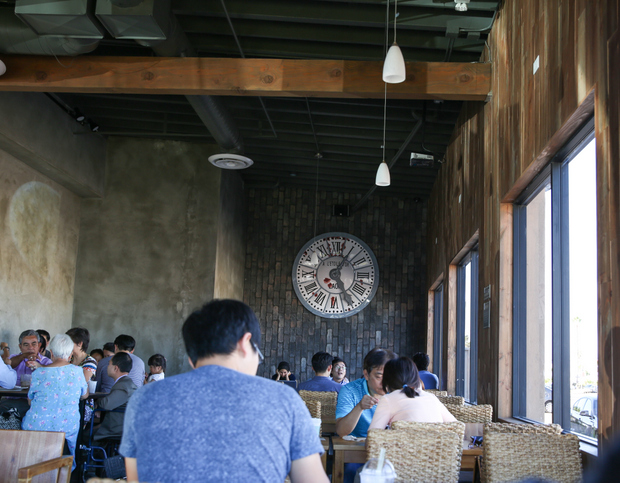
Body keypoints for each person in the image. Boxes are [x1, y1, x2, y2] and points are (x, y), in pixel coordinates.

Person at [120, 299, 328, 483]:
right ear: (246, 343)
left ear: (192, 360)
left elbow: (136, 478)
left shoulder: (143, 399)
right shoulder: (285, 400)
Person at [22, 334, 88, 469]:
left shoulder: (38, 373)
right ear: (70, 354)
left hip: (37, 427)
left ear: (51, 353)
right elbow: (85, 395)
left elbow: (30, 401)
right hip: (66, 427)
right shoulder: (78, 371)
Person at [368, 357, 456, 430]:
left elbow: (373, 437)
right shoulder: (431, 397)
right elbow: (456, 427)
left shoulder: (388, 399)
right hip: (438, 450)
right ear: (415, 377)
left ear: (387, 380)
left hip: (402, 450)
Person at [335, 348, 396, 438]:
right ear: (366, 375)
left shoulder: (398, 391)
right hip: (356, 446)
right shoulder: (350, 390)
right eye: (379, 376)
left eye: (390, 376)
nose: (385, 382)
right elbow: (341, 431)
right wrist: (359, 407)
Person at [93, 352, 137, 441]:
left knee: (84, 434)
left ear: (115, 368)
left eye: (109, 364)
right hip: (122, 425)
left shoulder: (123, 386)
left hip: (117, 428)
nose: (107, 367)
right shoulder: (126, 383)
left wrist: (97, 400)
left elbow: (105, 404)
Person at [66, 327, 98, 421]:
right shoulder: (68, 359)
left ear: (80, 344)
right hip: (67, 399)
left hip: (82, 403)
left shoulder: (90, 362)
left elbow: (80, 383)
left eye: (68, 343)